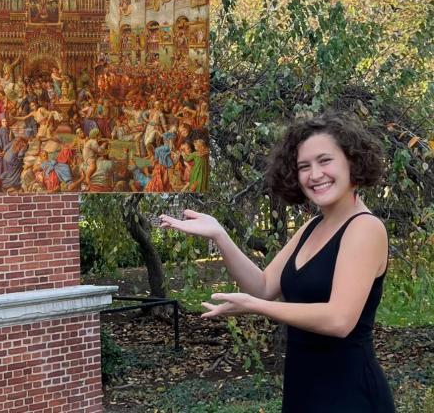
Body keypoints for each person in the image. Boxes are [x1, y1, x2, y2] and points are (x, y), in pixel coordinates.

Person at [159, 112, 395, 412]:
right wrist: (219, 235)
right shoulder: (312, 228)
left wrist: (256, 308)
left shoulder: (364, 228)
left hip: (349, 394)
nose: (315, 174)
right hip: (304, 388)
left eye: (325, 161)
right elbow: (263, 287)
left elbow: (339, 320)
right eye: (304, 167)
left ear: (352, 161)